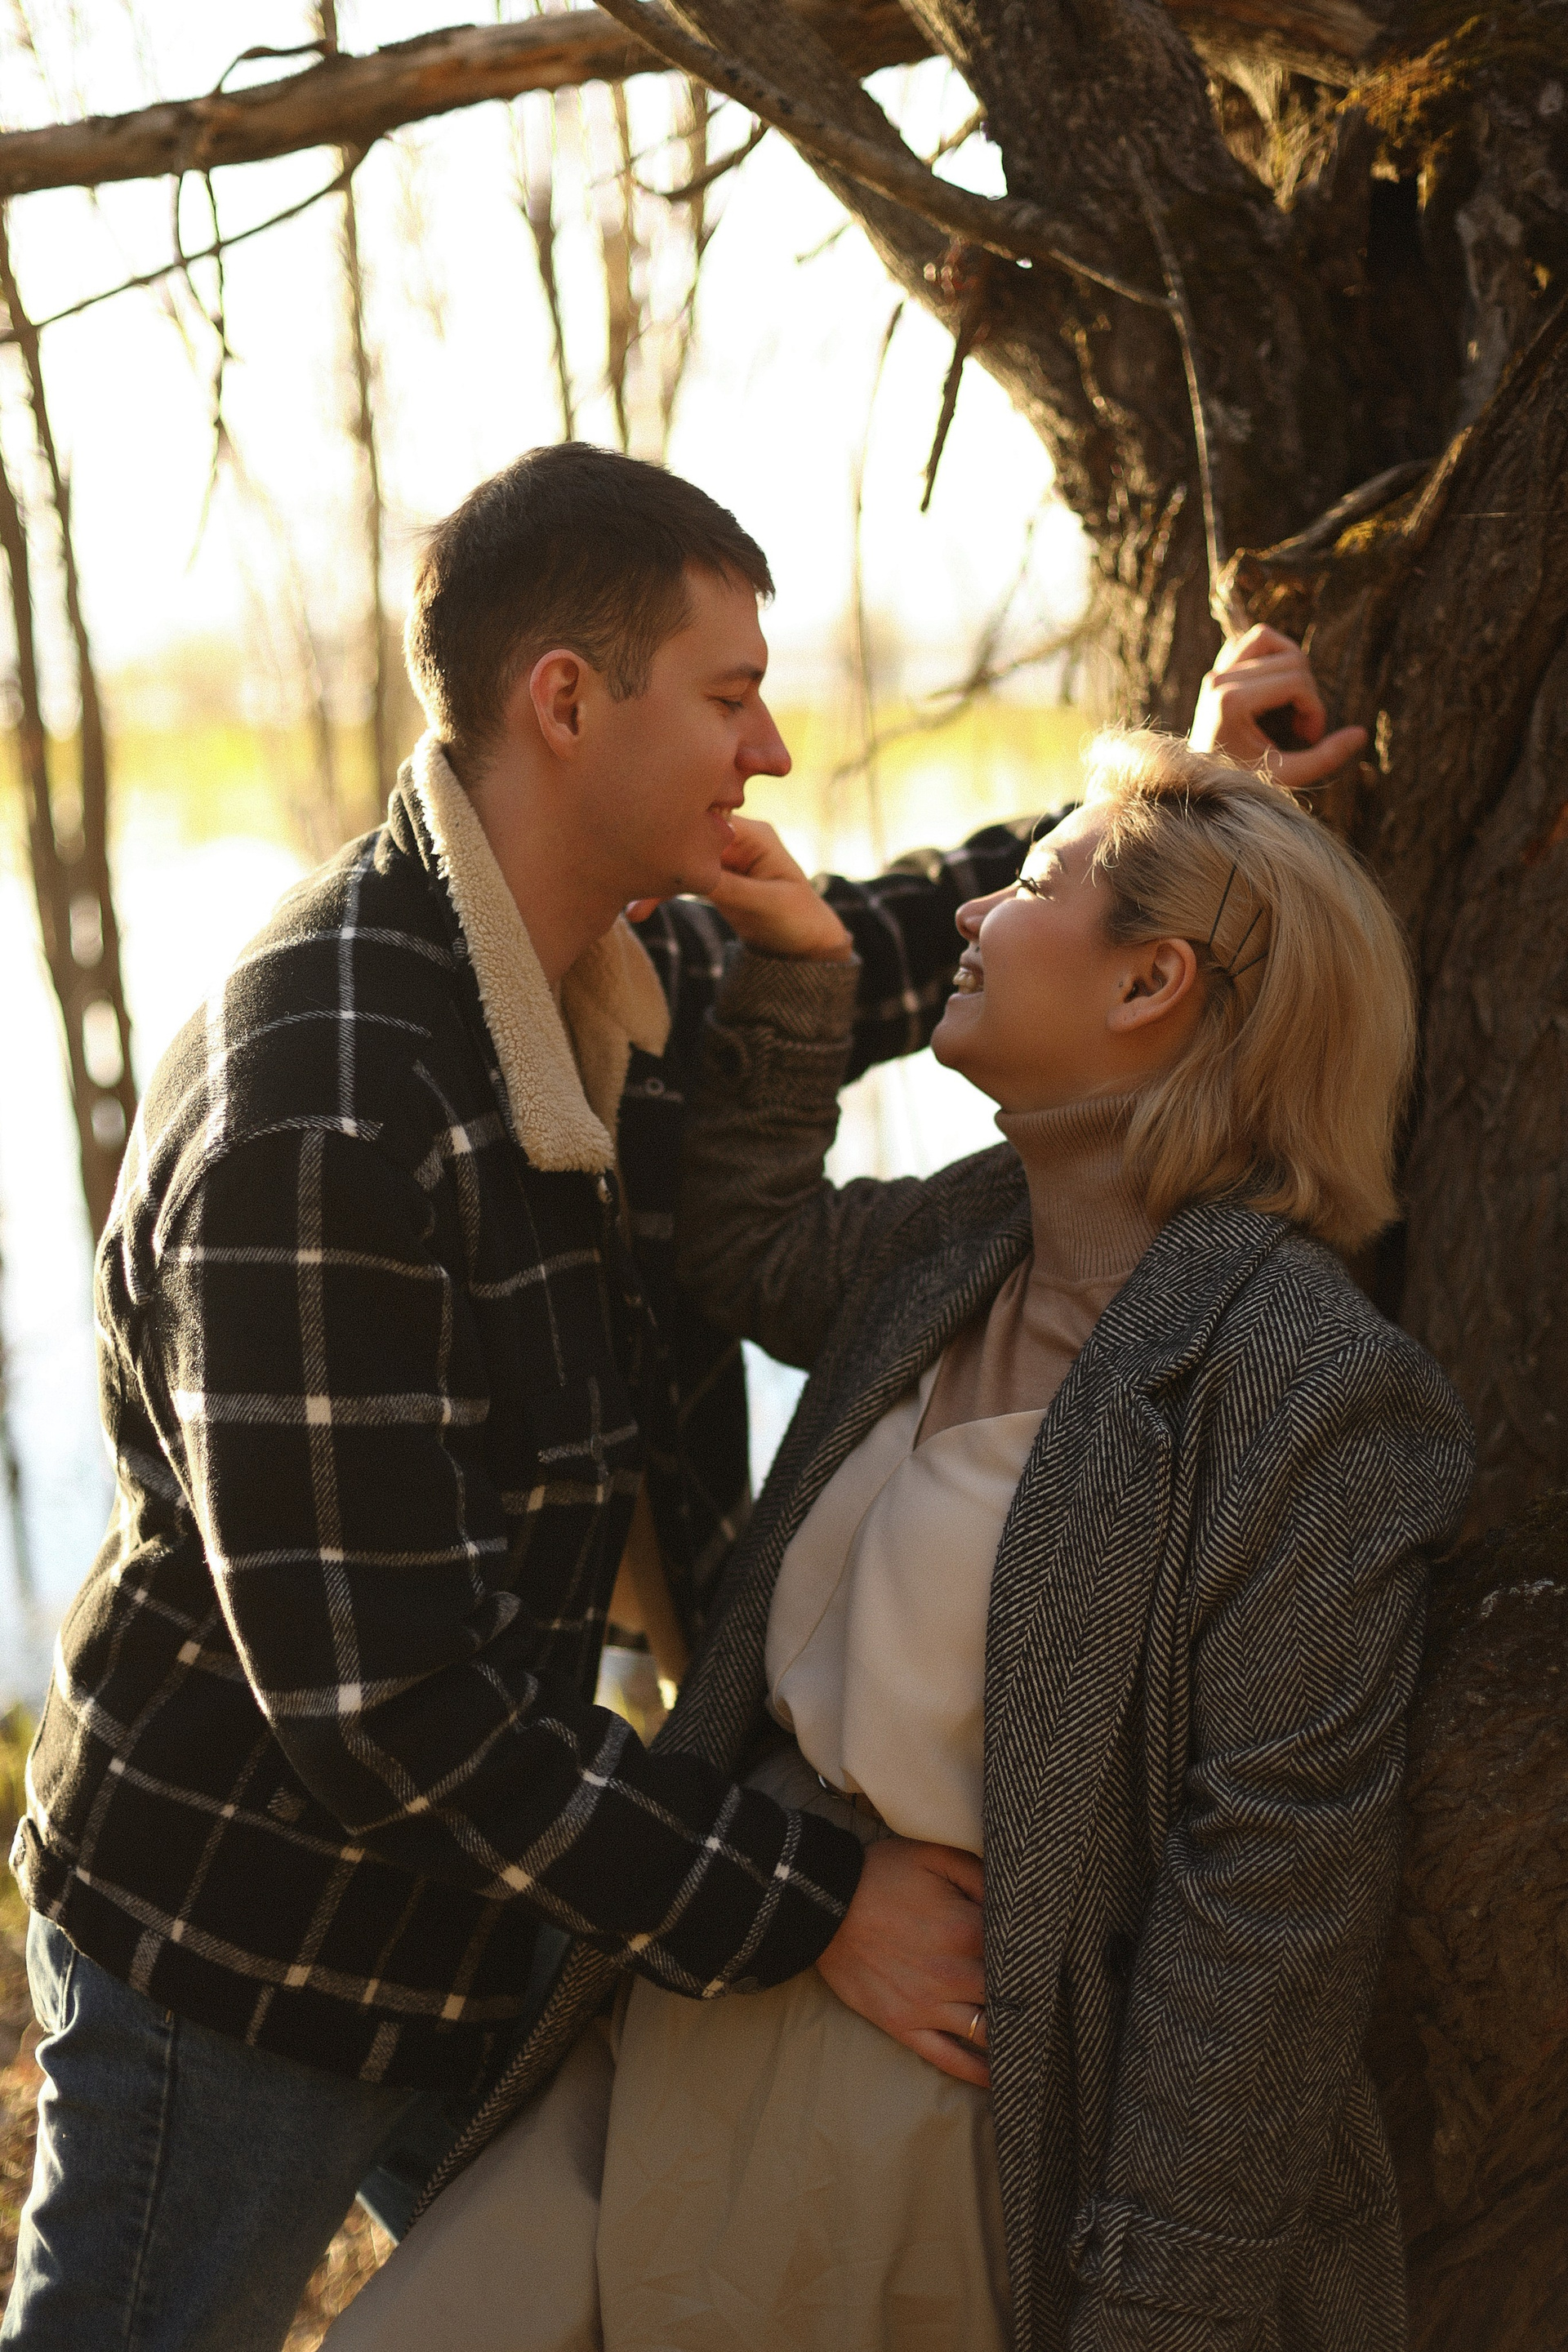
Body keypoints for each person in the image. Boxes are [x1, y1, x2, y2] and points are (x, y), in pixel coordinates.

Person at [7, 443, 1059, 2352]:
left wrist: (1163, 801)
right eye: (731, 697)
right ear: (566, 701)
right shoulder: (331, 1107)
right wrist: (818, 1897)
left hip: (481, 1900)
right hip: (235, 1944)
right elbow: (393, 1710)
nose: (769, 752)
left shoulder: (587, 967)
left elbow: (881, 939)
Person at [329, 718, 1472, 2352]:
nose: (975, 913)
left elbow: (1269, 1926)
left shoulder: (1306, 1392)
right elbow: (746, 1246)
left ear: (1151, 985)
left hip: (952, 2137)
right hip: (717, 1984)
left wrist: (1157, 2312)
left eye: (1032, 883)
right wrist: (801, 974)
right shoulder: (966, 1233)